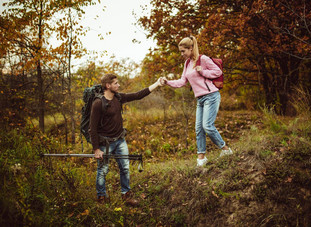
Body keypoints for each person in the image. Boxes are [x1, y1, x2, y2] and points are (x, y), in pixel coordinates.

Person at [90, 73, 163, 206]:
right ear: (108, 85)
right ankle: (101, 198)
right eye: (115, 83)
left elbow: (138, 95)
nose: (118, 85)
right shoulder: (98, 103)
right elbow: (92, 128)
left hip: (120, 140)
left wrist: (157, 84)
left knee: (125, 168)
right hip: (105, 143)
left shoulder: (118, 97)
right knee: (103, 170)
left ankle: (126, 195)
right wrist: (96, 149)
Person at [160, 36, 233, 167]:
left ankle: (226, 150)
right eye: (180, 51)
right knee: (198, 129)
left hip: (211, 95)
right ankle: (201, 158)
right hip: (200, 99)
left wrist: (203, 71)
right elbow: (182, 81)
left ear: (191, 48)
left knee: (208, 126)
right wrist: (167, 82)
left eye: (183, 51)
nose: (182, 54)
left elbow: (218, 71)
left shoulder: (203, 59)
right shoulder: (187, 63)